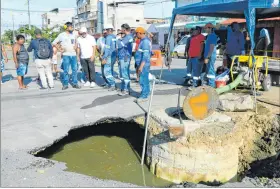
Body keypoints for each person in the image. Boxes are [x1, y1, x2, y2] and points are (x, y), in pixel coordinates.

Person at [52, 22, 81, 90]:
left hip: (73, 55)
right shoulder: (61, 35)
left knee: (74, 70)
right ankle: (65, 84)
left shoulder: (74, 35)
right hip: (66, 55)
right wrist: (59, 49)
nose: (72, 28)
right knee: (66, 70)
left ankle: (75, 83)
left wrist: (76, 45)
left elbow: (76, 42)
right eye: (71, 27)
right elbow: (53, 42)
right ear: (66, 27)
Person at [134, 26, 152, 102]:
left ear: (139, 33)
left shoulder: (144, 42)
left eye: (136, 33)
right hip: (143, 64)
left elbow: (145, 55)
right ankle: (146, 92)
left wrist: (141, 66)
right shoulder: (144, 40)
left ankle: (144, 96)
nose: (136, 35)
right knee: (145, 79)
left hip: (143, 65)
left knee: (143, 80)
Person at [117, 23, 134, 96]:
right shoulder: (126, 37)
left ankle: (126, 89)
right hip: (122, 56)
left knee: (124, 72)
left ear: (124, 29)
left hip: (125, 57)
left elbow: (121, 45)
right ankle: (125, 88)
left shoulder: (129, 37)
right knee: (123, 73)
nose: (120, 31)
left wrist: (118, 39)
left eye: (121, 29)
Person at [102, 24, 117, 91]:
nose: (106, 31)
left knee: (106, 71)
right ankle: (110, 84)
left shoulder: (108, 37)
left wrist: (104, 58)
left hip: (109, 56)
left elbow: (107, 48)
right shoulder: (114, 37)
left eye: (106, 30)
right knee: (110, 70)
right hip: (114, 56)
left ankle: (112, 84)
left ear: (109, 30)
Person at [203, 23, 218, 88]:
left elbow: (211, 48)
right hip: (208, 56)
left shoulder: (212, 36)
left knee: (211, 70)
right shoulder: (209, 36)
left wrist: (208, 57)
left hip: (210, 56)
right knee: (209, 70)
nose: (205, 30)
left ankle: (212, 85)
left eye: (206, 28)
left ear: (210, 28)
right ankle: (210, 84)